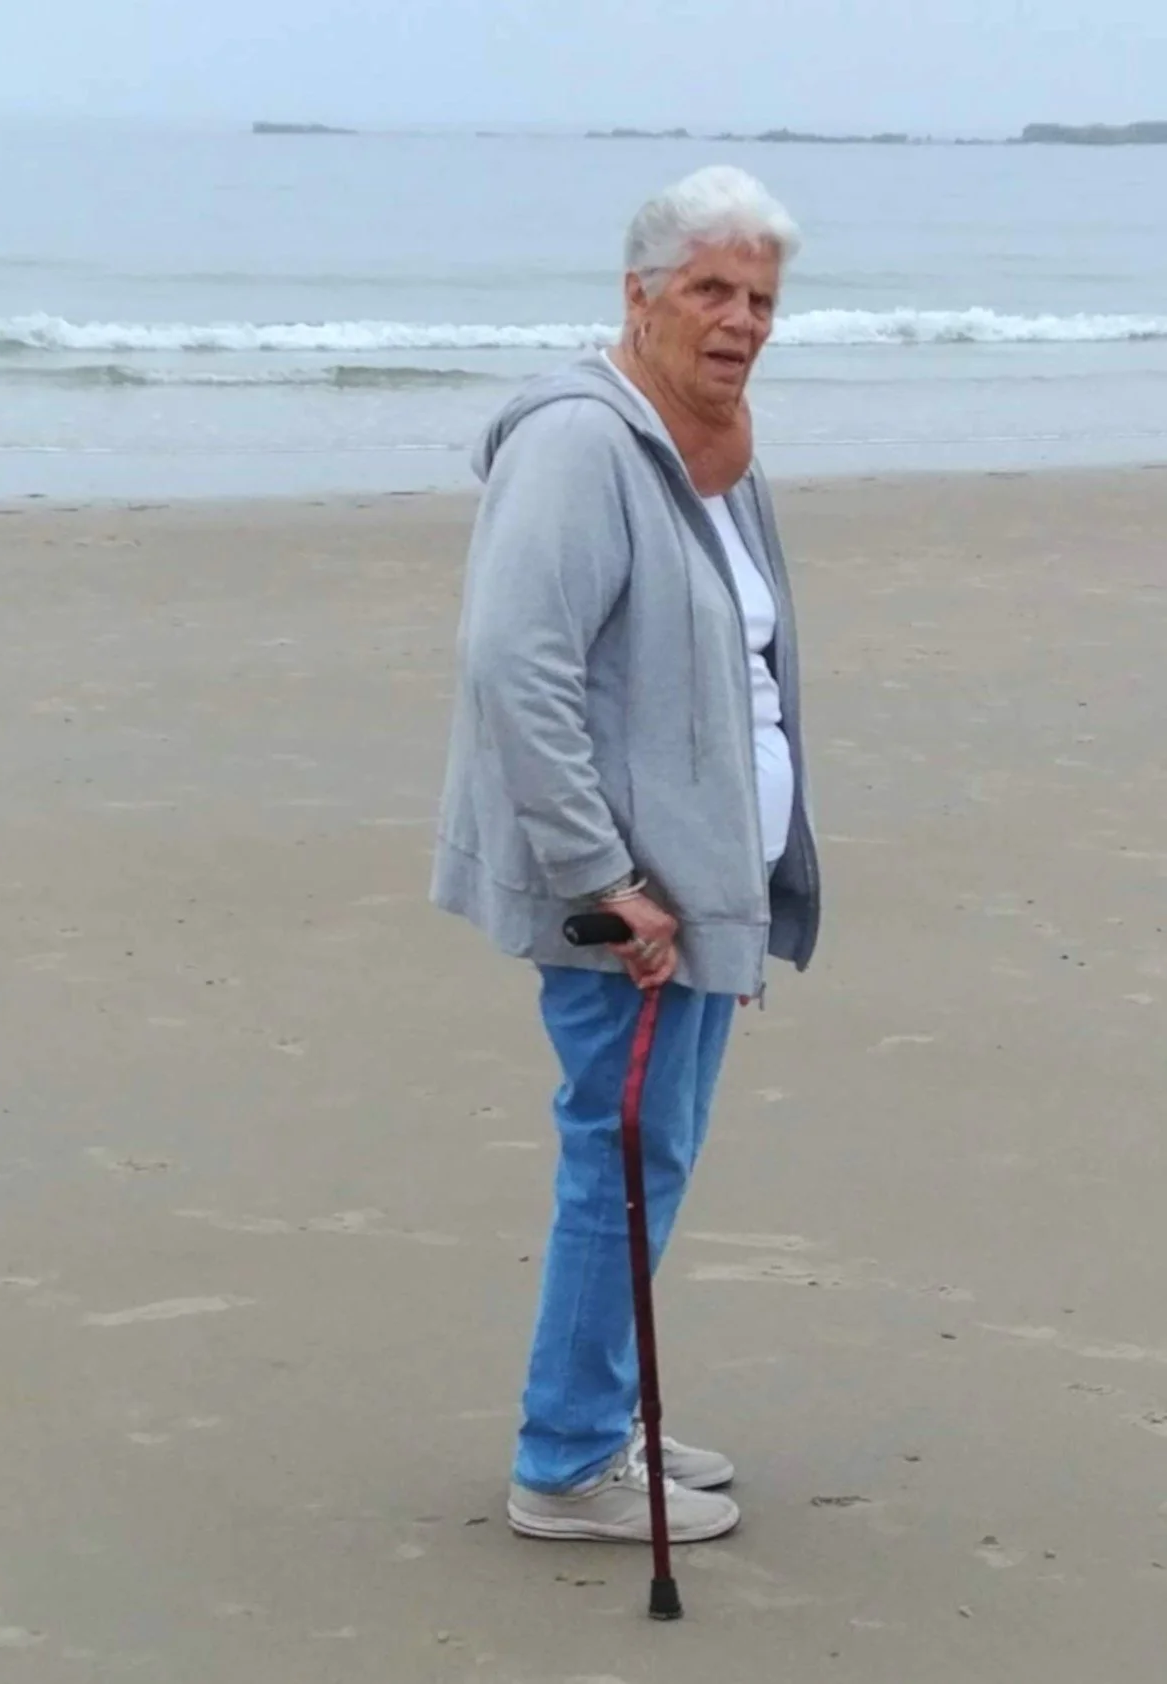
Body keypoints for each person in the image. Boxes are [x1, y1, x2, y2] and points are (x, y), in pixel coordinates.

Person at [431, 166, 821, 1544]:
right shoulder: (583, 446)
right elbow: (512, 668)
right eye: (712, 289)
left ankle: (604, 1409)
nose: (741, 319)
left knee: (654, 1147)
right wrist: (606, 879)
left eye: (762, 297)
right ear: (639, 293)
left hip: (699, 887)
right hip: (628, 902)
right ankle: (569, 1457)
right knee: (623, 1152)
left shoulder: (710, 446)